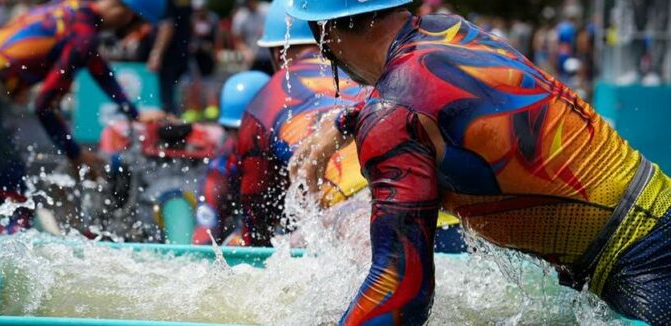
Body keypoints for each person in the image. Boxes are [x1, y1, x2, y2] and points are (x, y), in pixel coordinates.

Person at [287, 1, 671, 325]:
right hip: (658, 211)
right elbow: (432, 97)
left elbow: (402, 290)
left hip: (643, 269)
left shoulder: (390, 118)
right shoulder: (447, 30)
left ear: (325, 37)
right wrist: (343, 122)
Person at [0, 0, 167, 234]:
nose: (135, 34)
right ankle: (5, 285)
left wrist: (133, 112)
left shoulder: (69, 10)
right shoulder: (84, 34)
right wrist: (75, 154)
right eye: (139, 26)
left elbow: (97, 67)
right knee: (19, 204)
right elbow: (44, 105)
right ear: (128, 14)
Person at [236, 0, 368, 247]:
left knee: (282, 246)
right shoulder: (369, 71)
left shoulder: (263, 102)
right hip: (434, 204)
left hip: (353, 219)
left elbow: (256, 213)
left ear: (277, 53)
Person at [191, 71, 270, 245]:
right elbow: (205, 231)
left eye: (250, 132)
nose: (243, 140)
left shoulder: (288, 156)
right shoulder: (222, 165)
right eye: (232, 131)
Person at [147, 0, 192, 116]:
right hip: (181, 54)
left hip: (169, 57)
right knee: (176, 98)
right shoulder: (184, 4)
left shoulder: (167, 4)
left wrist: (156, 54)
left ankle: (171, 125)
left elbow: (167, 27)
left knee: (167, 101)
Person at [231, 0, 271, 74]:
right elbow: (238, 40)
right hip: (254, 58)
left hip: (270, 57)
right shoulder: (240, 17)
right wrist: (246, 52)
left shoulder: (268, 10)